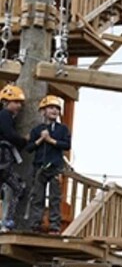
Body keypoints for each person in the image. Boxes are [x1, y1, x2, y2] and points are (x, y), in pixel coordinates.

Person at [25, 96, 71, 234]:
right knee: (37, 196)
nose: (54, 111)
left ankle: (54, 226)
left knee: (55, 197)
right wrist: (41, 139)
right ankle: (35, 224)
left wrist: (50, 140)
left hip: (55, 166)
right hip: (40, 166)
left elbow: (66, 145)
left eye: (57, 108)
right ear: (43, 111)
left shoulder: (62, 129)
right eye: (51, 108)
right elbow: (29, 147)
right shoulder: (37, 129)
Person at [0, 84, 28, 232]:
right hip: (3, 158)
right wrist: (24, 140)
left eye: (20, 103)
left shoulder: (6, 116)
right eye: (16, 102)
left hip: (4, 158)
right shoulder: (4, 115)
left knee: (16, 188)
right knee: (18, 188)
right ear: (6, 102)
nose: (19, 106)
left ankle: (6, 221)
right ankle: (7, 221)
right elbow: (9, 134)